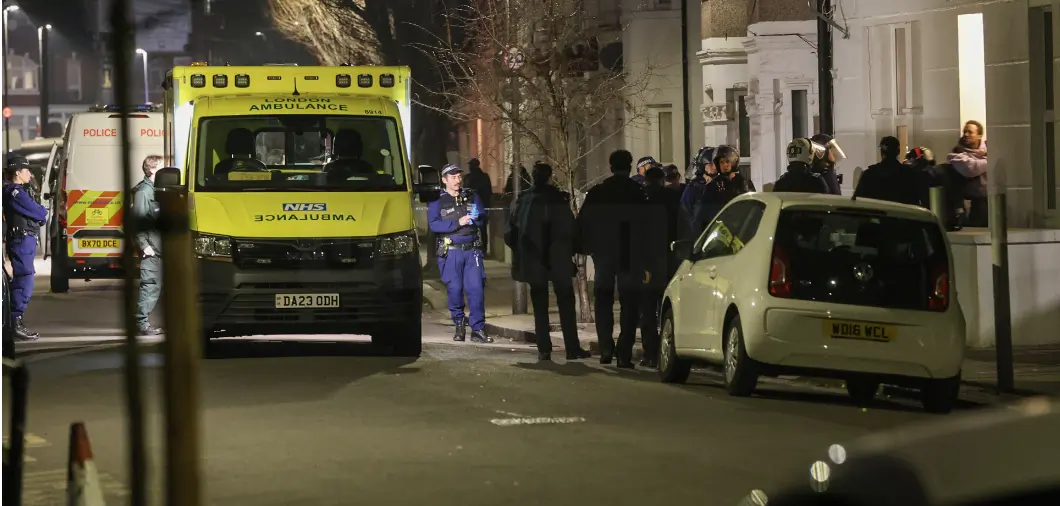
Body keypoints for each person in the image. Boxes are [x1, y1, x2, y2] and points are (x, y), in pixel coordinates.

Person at [505, 162, 592, 362]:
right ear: (549, 177)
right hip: (558, 260)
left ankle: (544, 349)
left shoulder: (523, 201)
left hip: (534, 260)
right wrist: (574, 249)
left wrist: (522, 252)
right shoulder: (557, 200)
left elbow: (510, 233)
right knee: (566, 303)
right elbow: (570, 230)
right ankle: (572, 348)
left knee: (540, 306)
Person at [577, 150, 651, 368]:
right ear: (629, 167)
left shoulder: (598, 192)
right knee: (629, 304)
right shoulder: (637, 192)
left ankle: (606, 348)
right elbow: (647, 225)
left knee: (603, 300)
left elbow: (583, 222)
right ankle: (624, 352)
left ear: (611, 167)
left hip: (604, 254)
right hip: (630, 254)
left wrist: (587, 247)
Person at [428, 163, 492, 343]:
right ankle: (459, 326)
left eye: (459, 177)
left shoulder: (471, 196)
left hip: (472, 251)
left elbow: (483, 219)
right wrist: (458, 222)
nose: (457, 180)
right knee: (455, 290)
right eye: (453, 177)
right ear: (444, 180)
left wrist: (476, 219)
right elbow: (434, 225)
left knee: (476, 290)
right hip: (451, 252)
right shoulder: (437, 200)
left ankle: (478, 330)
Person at [639, 166, 686, 368]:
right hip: (671, 258)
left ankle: (650, 353)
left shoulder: (642, 201)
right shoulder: (673, 199)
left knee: (648, 310)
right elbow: (683, 227)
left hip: (648, 262)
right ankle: (669, 352)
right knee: (670, 307)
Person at [3, 154, 47, 341]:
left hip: (24, 240)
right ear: (17, 173)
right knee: (24, 281)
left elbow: (40, 215)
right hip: (21, 240)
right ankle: (15, 322)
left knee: (23, 279)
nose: (29, 173)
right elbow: (40, 212)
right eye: (26, 170)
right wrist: (41, 212)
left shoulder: (20, 191)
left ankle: (14, 321)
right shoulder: (15, 193)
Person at [133, 155, 166, 336]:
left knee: (156, 287)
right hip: (151, 250)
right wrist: (144, 245)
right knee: (150, 286)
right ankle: (141, 323)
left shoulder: (156, 190)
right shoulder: (144, 192)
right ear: (152, 170)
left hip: (159, 249)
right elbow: (137, 222)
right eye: (162, 167)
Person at [853, 136, 923, 206]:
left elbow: (857, 201)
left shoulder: (869, 174)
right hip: (902, 213)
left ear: (881, 152)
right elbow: (917, 202)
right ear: (898, 152)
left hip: (876, 212)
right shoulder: (909, 174)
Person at [947, 120, 988, 227]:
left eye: (970, 132)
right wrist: (989, 160)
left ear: (979, 135)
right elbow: (971, 168)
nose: (966, 134)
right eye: (964, 131)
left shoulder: (989, 148)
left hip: (989, 199)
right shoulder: (957, 152)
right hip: (967, 200)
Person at [463, 158, 494, 254]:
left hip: (472, 205)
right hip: (482, 206)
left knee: (470, 227)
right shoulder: (484, 177)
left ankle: (474, 248)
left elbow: (465, 192)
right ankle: (483, 249)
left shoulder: (469, 177)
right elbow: (489, 193)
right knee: (482, 228)